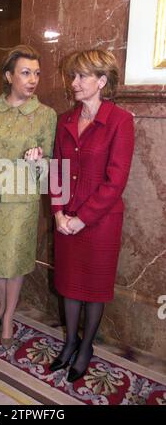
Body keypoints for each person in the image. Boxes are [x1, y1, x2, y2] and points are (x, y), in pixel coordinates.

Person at [0, 45, 57, 349]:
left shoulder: (45, 115)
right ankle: (2, 306)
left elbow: (50, 166)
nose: (32, 80)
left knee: (13, 263)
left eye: (37, 74)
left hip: (21, 203)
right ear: (8, 75)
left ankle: (7, 317)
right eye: (25, 73)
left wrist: (38, 159)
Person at [49, 49, 134, 382]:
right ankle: (70, 342)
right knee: (70, 287)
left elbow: (116, 181)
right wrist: (58, 213)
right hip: (65, 220)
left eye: (81, 76)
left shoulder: (120, 121)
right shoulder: (65, 120)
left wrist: (81, 219)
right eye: (73, 76)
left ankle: (87, 347)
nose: (74, 83)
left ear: (102, 81)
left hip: (99, 224)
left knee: (93, 288)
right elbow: (56, 170)